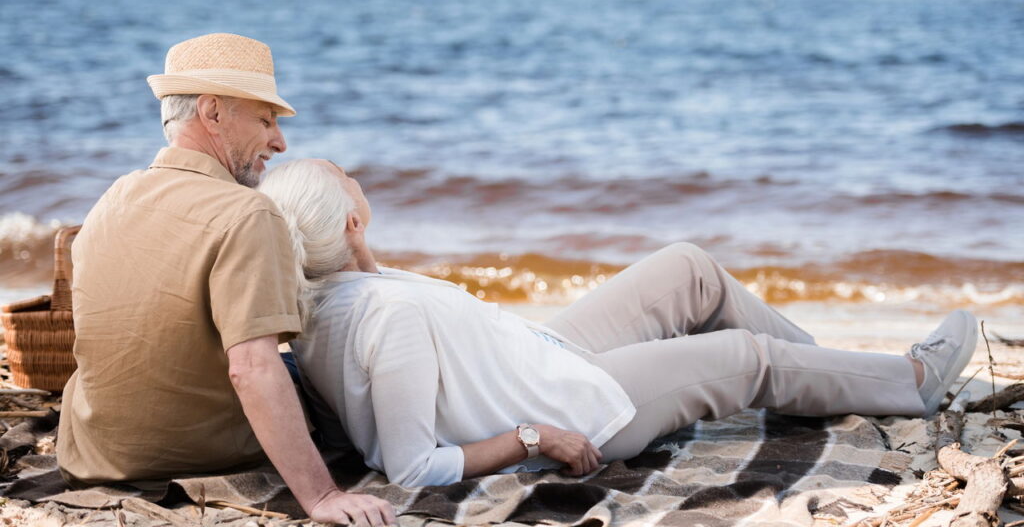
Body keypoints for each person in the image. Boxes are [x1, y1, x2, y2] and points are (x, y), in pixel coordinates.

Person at [257, 158, 979, 488]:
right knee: (745, 355)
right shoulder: (390, 314)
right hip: (575, 402)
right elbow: (410, 465)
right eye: (342, 173)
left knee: (688, 265)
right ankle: (912, 383)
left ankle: (838, 378)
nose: (352, 171)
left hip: (545, 354)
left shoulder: (334, 291)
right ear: (352, 219)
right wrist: (531, 439)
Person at [57, 34, 395, 526]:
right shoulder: (247, 212)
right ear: (212, 113)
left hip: (91, 453)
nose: (280, 142)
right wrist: (321, 496)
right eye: (265, 120)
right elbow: (252, 369)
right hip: (191, 455)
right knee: (320, 361)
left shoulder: (115, 195)